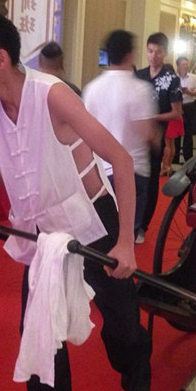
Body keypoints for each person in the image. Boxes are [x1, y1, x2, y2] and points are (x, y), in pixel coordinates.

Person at [0, 12, 151, 391]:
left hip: (93, 221)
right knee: (39, 329)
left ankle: (139, 390)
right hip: (44, 233)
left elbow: (121, 160)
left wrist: (125, 242)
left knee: (122, 326)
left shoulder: (53, 96)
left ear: (0, 58)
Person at [83, 30, 157, 244]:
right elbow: (147, 133)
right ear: (130, 55)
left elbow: (84, 132)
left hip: (100, 170)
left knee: (103, 236)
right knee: (126, 238)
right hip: (133, 170)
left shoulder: (92, 88)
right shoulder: (139, 89)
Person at [135, 33, 182, 242]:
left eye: (158, 52)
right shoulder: (138, 76)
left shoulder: (171, 79)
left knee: (150, 182)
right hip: (134, 137)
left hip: (155, 138)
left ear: (165, 53)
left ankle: (142, 225)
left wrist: (152, 117)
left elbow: (176, 113)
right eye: (150, 51)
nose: (154, 56)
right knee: (131, 179)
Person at [176, 56, 196, 163]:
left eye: (187, 64)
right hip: (177, 106)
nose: (185, 66)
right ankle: (175, 157)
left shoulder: (194, 77)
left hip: (189, 106)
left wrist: (188, 92)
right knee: (176, 133)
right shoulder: (174, 77)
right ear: (178, 66)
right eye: (183, 64)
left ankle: (188, 157)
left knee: (188, 132)